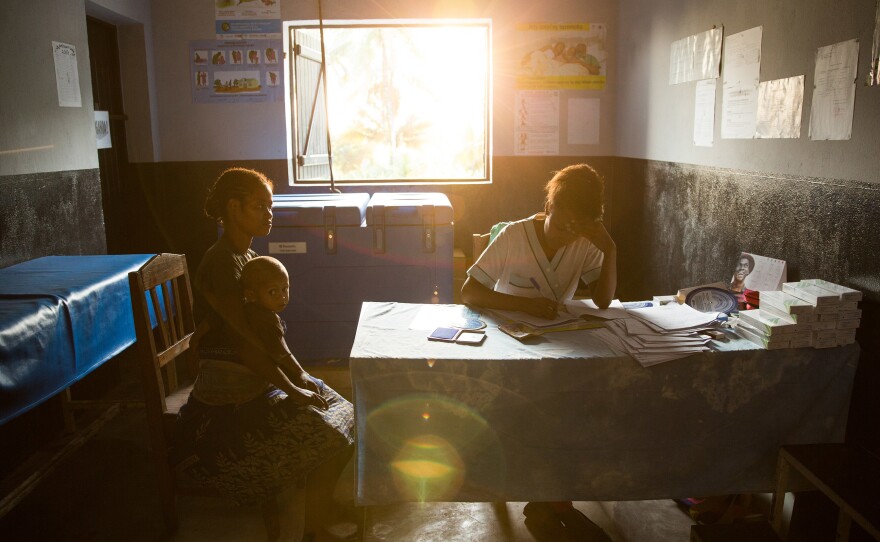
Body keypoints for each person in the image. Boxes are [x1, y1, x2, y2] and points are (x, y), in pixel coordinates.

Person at [172, 168, 355, 542]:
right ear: (233, 207)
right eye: (259, 206)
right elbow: (246, 346)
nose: (269, 214)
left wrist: (301, 376)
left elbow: (270, 339)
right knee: (331, 431)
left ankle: (319, 512)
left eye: (270, 206)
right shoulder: (222, 263)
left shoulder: (247, 258)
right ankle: (314, 528)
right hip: (228, 396)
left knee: (345, 411)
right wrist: (292, 388)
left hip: (254, 379)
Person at [460, 163, 615, 541]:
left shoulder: (584, 242)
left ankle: (551, 502)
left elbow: (603, 300)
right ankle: (549, 502)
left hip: (555, 345)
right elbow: (469, 293)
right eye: (562, 224)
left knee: (578, 405)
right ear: (550, 204)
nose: (567, 235)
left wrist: (609, 247)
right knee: (537, 410)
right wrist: (526, 306)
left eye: (578, 228)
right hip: (509, 348)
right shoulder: (514, 236)